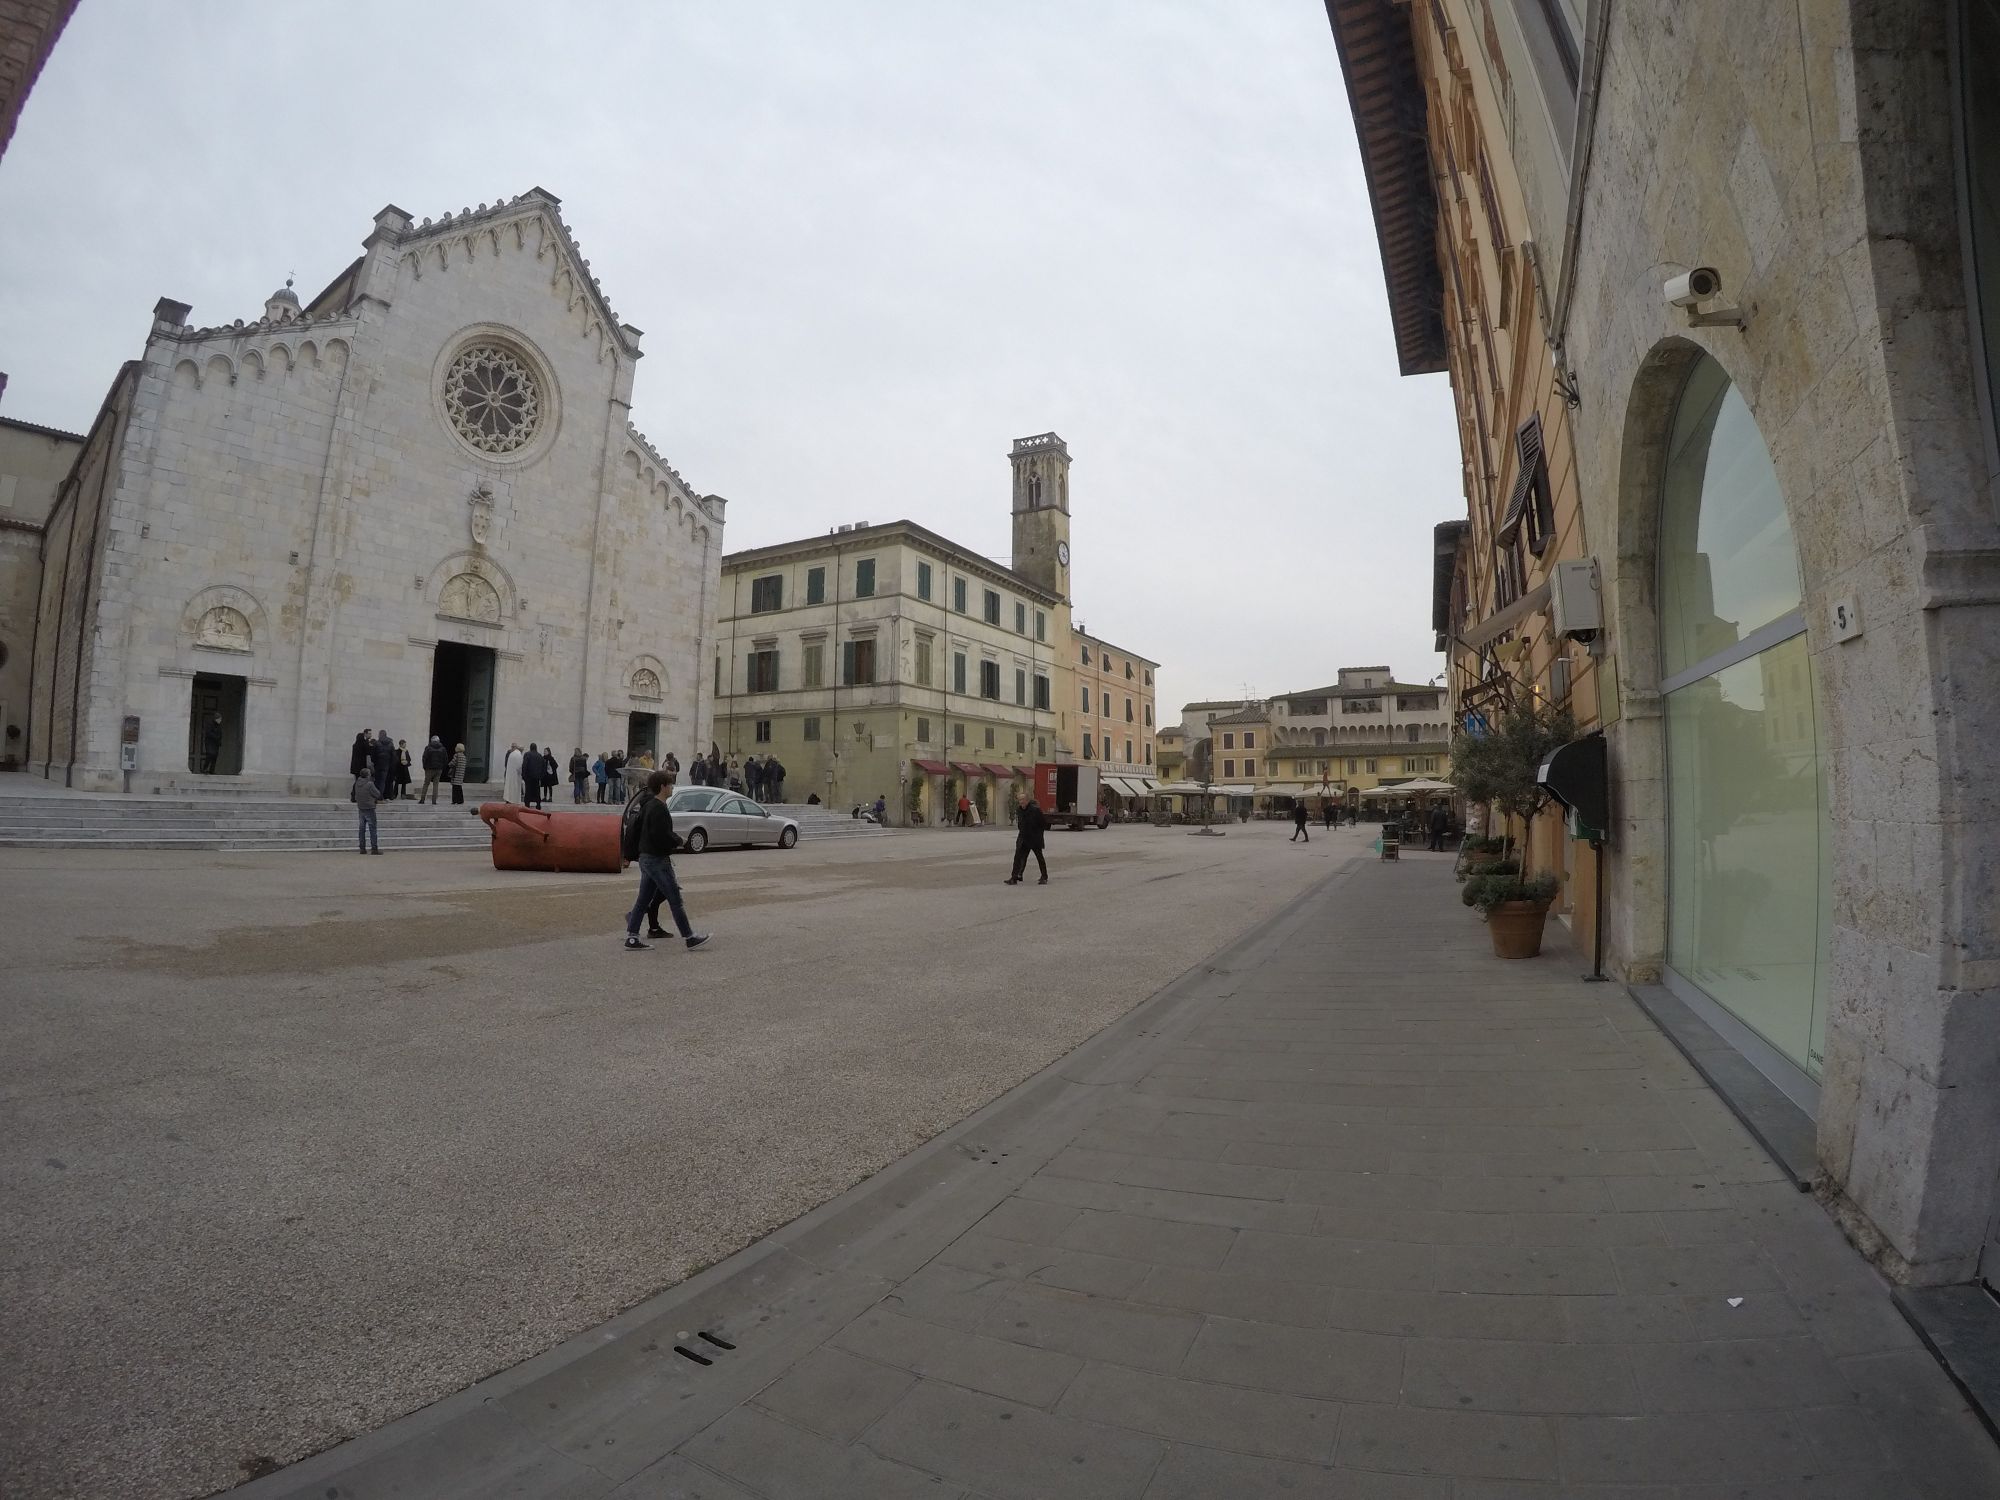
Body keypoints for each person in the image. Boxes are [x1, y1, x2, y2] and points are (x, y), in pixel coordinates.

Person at [623, 770, 710, 952]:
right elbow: (661, 834)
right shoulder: (659, 808)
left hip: (646, 857)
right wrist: (679, 841)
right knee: (675, 899)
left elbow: (643, 831)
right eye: (670, 784)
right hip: (657, 859)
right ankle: (689, 937)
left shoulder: (648, 805)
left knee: (643, 900)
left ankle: (632, 937)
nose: (672, 787)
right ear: (662, 787)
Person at [1004, 790, 1048, 885]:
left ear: (1027, 800)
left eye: (1023, 799)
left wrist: (1038, 836)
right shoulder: (1019, 810)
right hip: (1023, 838)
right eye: (1019, 800)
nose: (1021, 802)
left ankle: (1044, 877)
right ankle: (1014, 878)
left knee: (1039, 857)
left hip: (1034, 838)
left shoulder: (1035, 810)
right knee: (1018, 858)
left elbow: (1043, 824)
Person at [353, 768, 382, 854]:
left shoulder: (357, 783)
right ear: (367, 775)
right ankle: (374, 848)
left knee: (362, 829)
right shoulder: (370, 784)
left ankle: (362, 848)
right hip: (369, 807)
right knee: (372, 828)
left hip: (361, 807)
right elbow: (377, 794)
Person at [419, 736, 445, 804]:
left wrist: (425, 767)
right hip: (439, 769)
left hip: (429, 769)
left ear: (431, 741)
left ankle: (422, 800)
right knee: (436, 785)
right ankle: (434, 801)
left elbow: (424, 758)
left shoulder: (428, 748)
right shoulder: (443, 748)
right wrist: (442, 767)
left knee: (426, 784)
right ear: (438, 741)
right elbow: (445, 759)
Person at [371, 730, 395, 799]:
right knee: (383, 781)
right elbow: (393, 756)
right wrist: (390, 764)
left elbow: (373, 755)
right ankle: (380, 796)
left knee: (377, 780)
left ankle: (375, 796)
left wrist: (375, 762)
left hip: (378, 765)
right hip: (386, 765)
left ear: (380, 735)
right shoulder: (391, 744)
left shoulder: (377, 743)